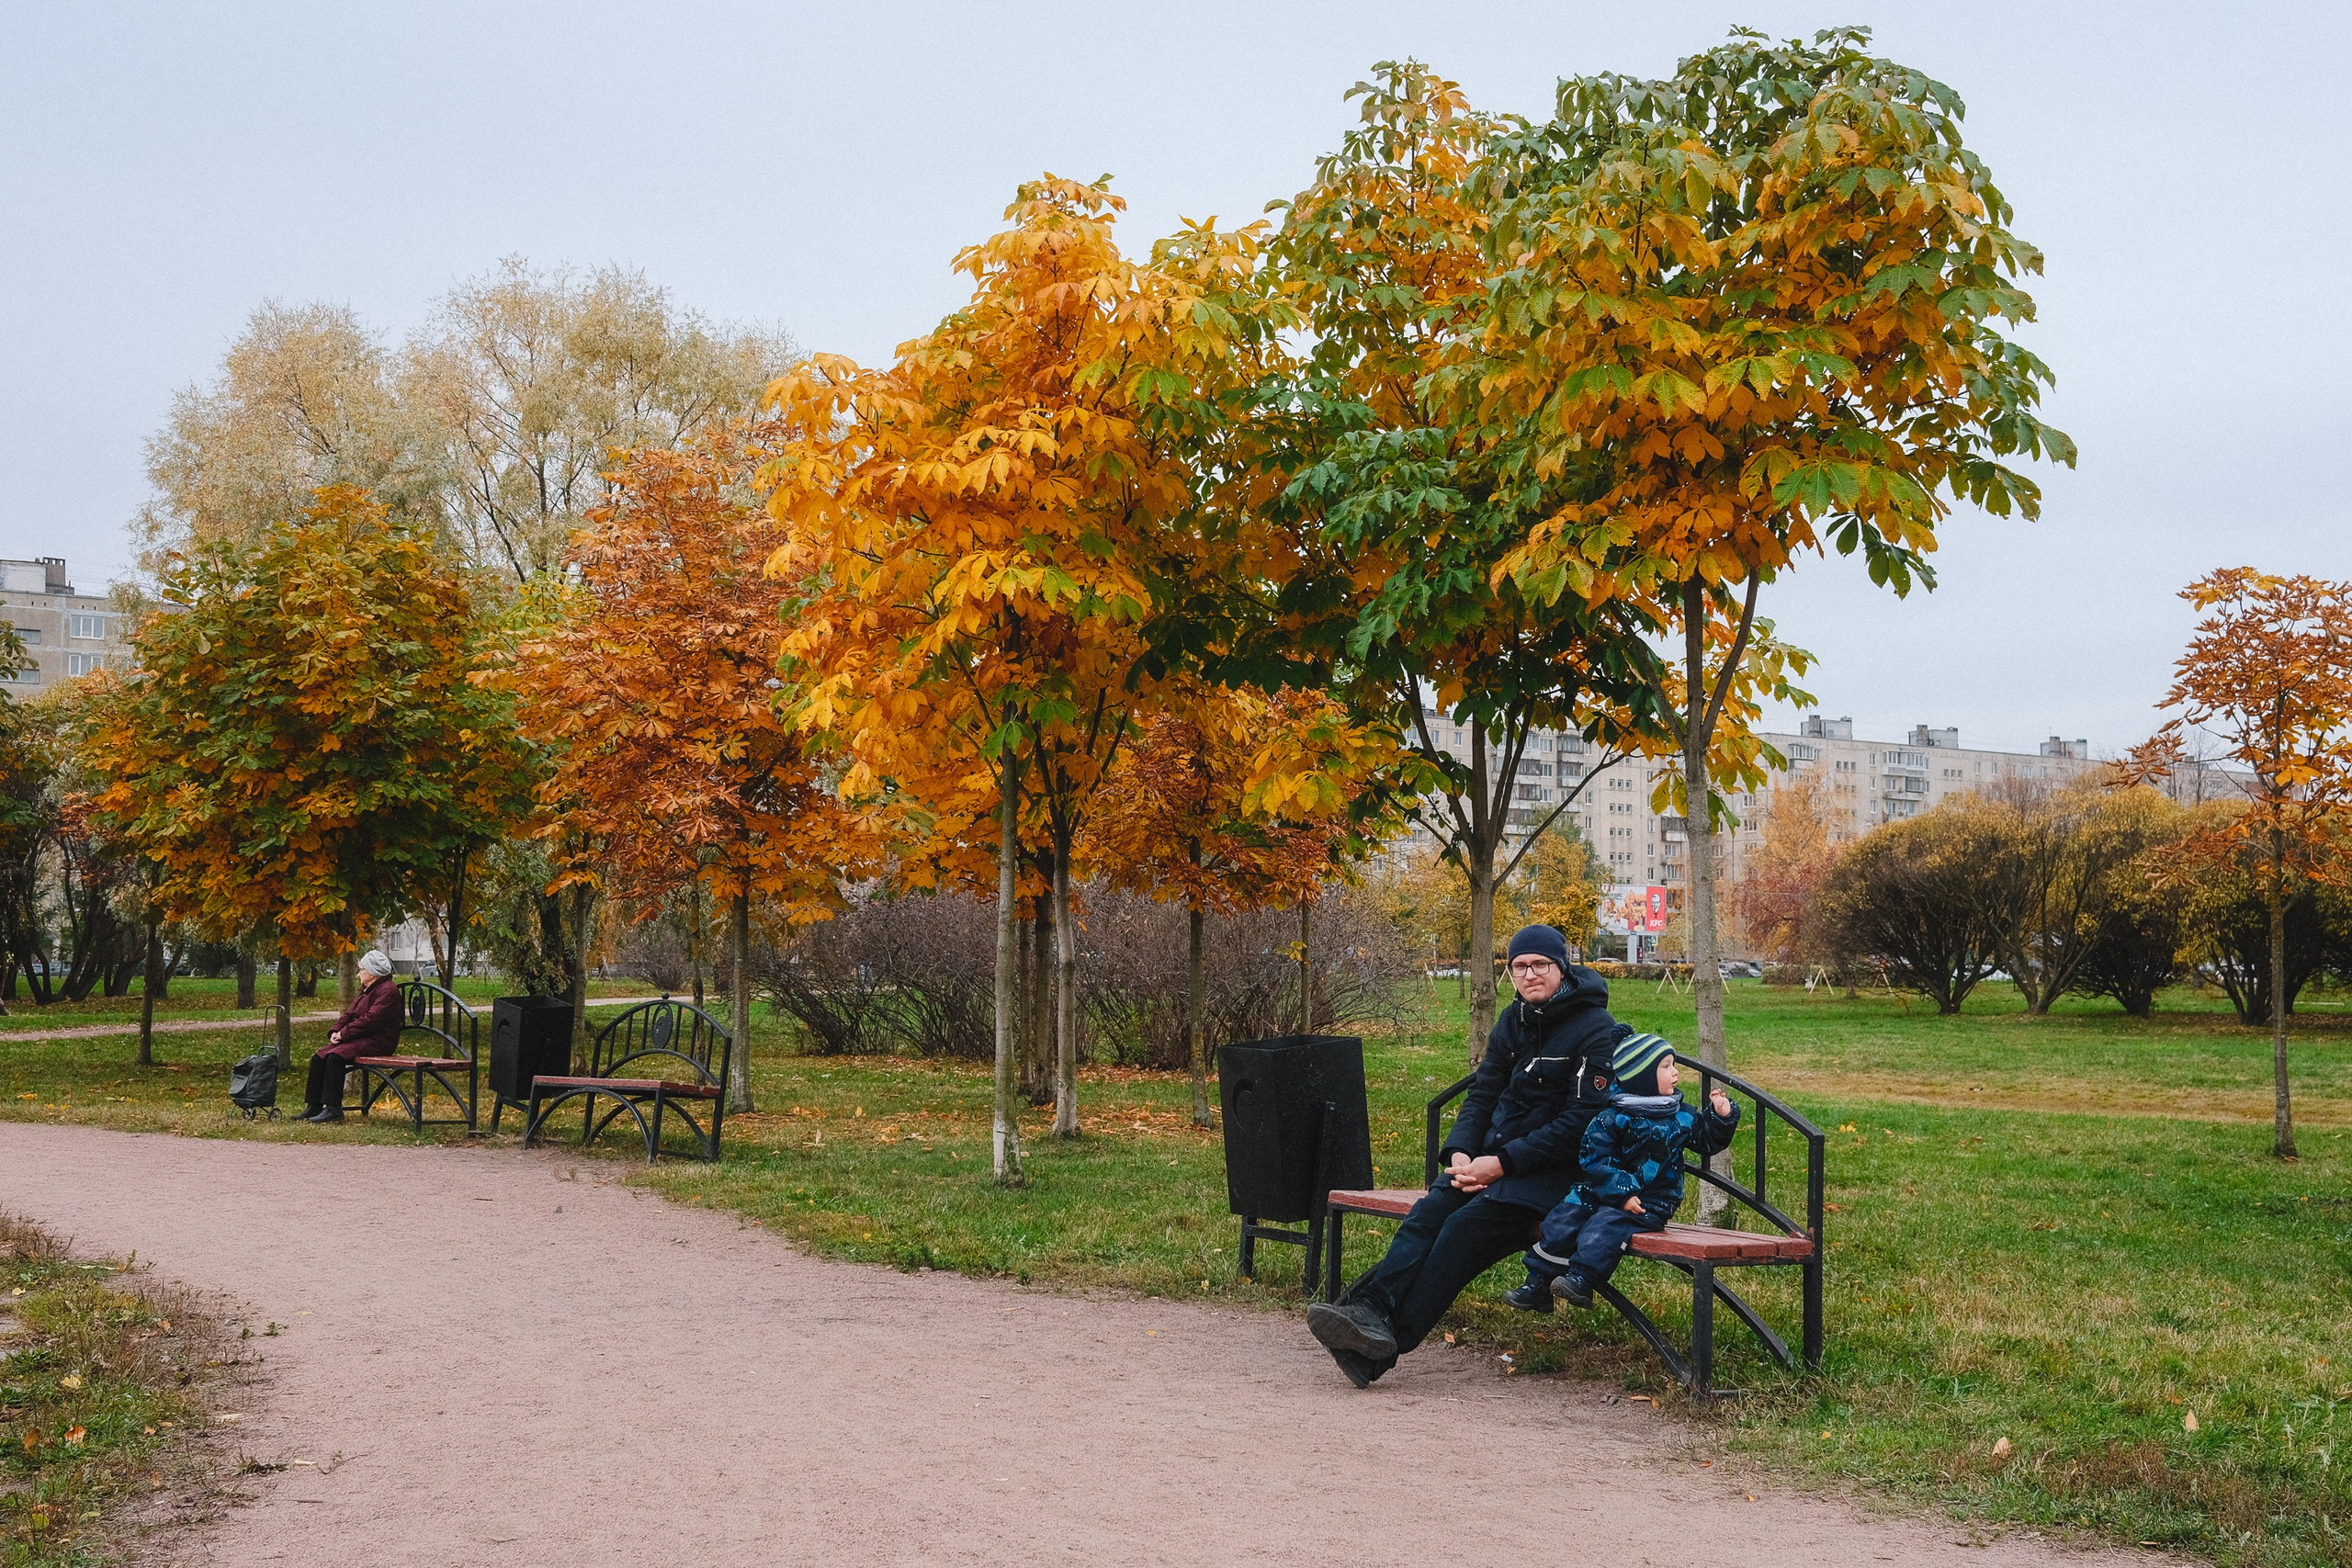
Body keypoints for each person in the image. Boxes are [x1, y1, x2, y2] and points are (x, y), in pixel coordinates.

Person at [1305, 924, 1628, 1387]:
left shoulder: (1595, 1030)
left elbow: (1582, 1124)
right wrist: (1460, 1153)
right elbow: (1482, 1096)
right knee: (1430, 1211)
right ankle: (1368, 1312)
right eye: (1519, 966)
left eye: (1540, 964)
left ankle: (1376, 1346)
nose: (1529, 974)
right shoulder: (1512, 1021)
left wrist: (1502, 1163)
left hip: (1555, 1180)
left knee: (1457, 1235)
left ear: (1562, 968)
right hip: (1491, 1164)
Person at [1503, 1032, 1740, 1312]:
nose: (1675, 1072)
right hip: (1606, 1190)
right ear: (1641, 1076)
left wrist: (1722, 1116)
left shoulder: (1681, 1116)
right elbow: (1594, 1157)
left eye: (1673, 1065)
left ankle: (1581, 1279)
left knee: (1606, 1224)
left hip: (1650, 1202)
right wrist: (1620, 1190)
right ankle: (1538, 1282)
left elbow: (1706, 1141)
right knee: (1567, 1213)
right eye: (1665, 1067)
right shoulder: (1613, 1117)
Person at [298, 951, 403, 1122]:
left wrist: (344, 1034)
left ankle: (333, 1109)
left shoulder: (388, 991)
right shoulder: (368, 989)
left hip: (380, 1040)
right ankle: (314, 1106)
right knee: (319, 1057)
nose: (358, 973)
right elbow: (349, 1013)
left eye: (361, 969)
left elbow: (371, 1020)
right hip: (363, 1037)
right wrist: (335, 1031)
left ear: (373, 972)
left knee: (335, 1057)